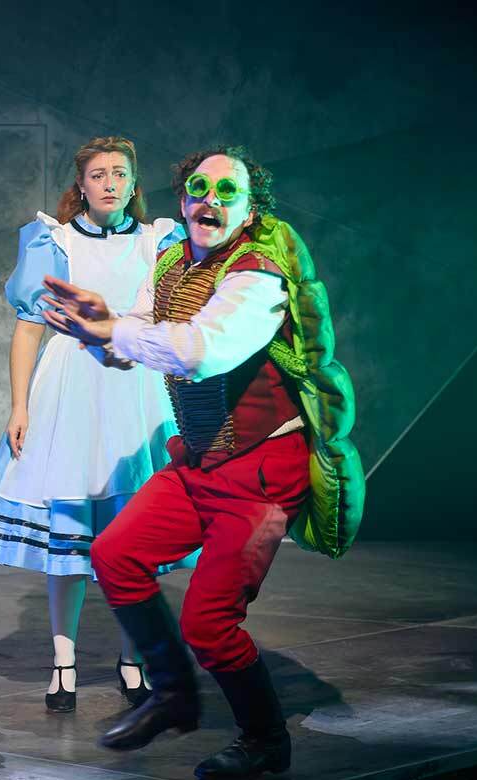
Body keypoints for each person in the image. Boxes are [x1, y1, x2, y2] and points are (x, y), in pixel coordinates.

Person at [42, 145, 343, 777]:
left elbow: (201, 351)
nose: (210, 201)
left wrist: (115, 333)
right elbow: (148, 331)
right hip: (201, 462)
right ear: (182, 201)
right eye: (198, 188)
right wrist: (107, 326)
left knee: (209, 621)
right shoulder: (176, 260)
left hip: (263, 471)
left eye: (227, 191)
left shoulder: (259, 276)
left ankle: (265, 740)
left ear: (250, 208)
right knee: (115, 554)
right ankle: (174, 694)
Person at [0, 137, 193, 712]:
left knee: (135, 535)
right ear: (80, 186)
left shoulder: (157, 241)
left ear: (134, 184)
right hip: (70, 389)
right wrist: (20, 406)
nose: (109, 183)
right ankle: (62, 662)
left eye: (119, 174)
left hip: (135, 387)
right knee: (68, 534)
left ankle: (132, 658)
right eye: (98, 174)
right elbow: (28, 329)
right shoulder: (53, 242)